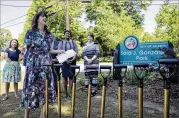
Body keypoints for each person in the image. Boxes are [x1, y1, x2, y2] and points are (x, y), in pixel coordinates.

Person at [20, 12, 65, 118]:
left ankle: (42, 114)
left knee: (45, 87)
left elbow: (49, 50)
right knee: (30, 87)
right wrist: (22, 54)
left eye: (46, 16)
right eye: (42, 16)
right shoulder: (30, 32)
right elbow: (25, 46)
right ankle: (26, 115)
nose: (45, 18)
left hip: (46, 64)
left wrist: (60, 50)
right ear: (37, 19)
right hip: (33, 63)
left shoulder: (50, 35)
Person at [58, 30, 78, 98]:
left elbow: (76, 51)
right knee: (64, 77)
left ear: (70, 35)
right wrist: (65, 60)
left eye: (69, 34)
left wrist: (73, 58)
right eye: (66, 34)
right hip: (64, 61)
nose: (67, 35)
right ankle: (66, 93)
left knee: (71, 76)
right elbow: (59, 52)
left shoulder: (73, 42)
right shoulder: (61, 43)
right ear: (64, 35)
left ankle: (70, 92)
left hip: (72, 61)